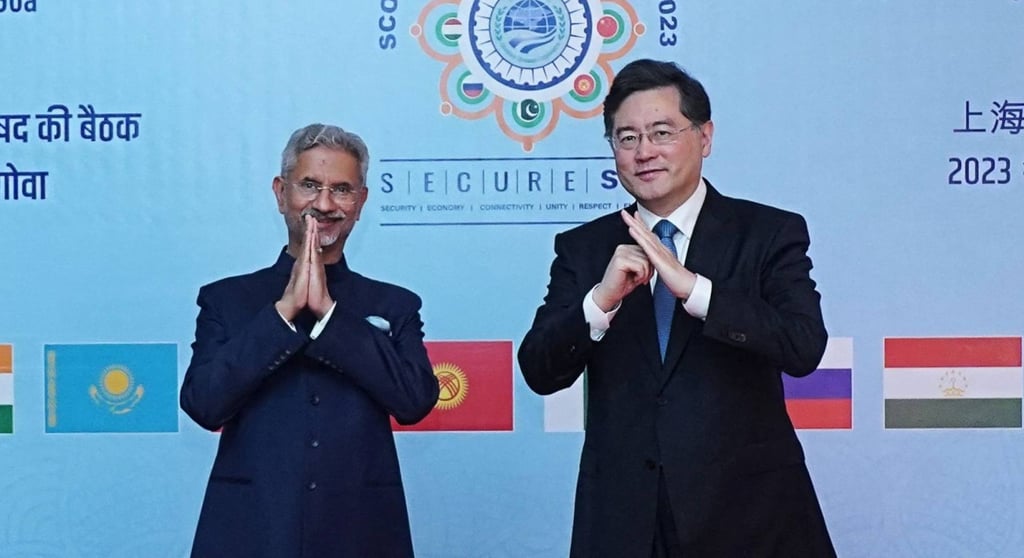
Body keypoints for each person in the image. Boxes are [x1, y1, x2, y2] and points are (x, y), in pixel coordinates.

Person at [518, 59, 836, 557]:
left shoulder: (768, 233)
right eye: (627, 138)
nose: (644, 152)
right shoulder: (585, 248)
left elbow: (802, 346)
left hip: (750, 517)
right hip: (626, 521)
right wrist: (600, 302)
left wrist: (696, 291)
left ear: (704, 137)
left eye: (661, 132)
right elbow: (539, 369)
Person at [180, 123, 439, 558]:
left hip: (363, 532)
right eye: (309, 186)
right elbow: (204, 403)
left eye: (341, 189)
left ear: (361, 202)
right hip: (250, 529)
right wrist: (282, 314)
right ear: (282, 194)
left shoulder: (394, 304)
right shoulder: (227, 300)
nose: (324, 204)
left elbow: (414, 400)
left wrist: (331, 316)